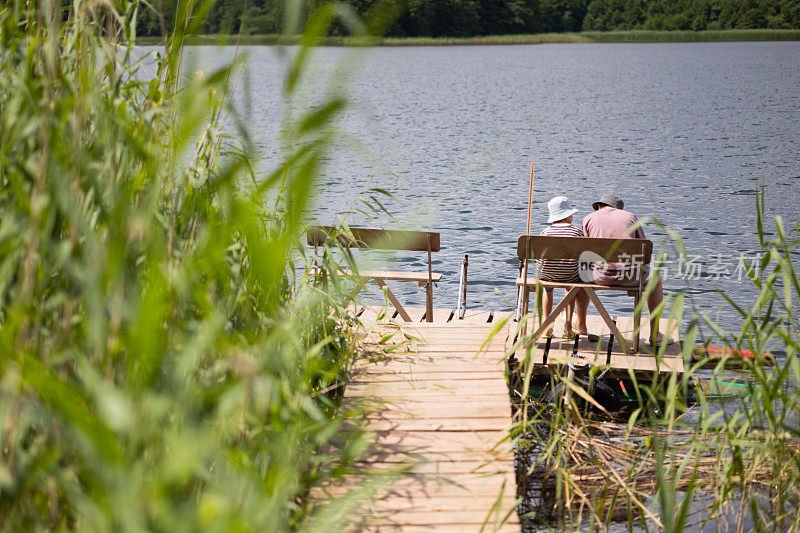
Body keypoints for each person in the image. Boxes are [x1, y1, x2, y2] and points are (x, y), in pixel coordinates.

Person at [581, 194, 672, 345]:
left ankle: (580, 324)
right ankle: (655, 334)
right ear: (618, 209)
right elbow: (644, 252)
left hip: (597, 277)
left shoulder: (588, 218)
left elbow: (583, 252)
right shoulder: (630, 217)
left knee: (581, 273)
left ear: (599, 206)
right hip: (629, 278)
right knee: (655, 278)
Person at [537, 196, 590, 336]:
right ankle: (567, 328)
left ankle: (546, 328)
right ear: (569, 216)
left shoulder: (545, 232)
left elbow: (539, 261)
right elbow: (583, 257)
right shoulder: (577, 232)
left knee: (547, 289)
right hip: (570, 275)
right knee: (571, 286)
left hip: (548, 275)